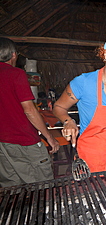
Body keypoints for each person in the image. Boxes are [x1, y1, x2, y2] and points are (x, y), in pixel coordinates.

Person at [53, 35, 106, 173]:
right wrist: (68, 121)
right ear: (105, 54)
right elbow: (58, 107)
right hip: (91, 159)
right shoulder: (84, 82)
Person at [0, 37, 60, 187]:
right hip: (24, 141)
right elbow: (30, 110)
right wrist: (49, 137)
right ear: (14, 55)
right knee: (41, 186)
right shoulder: (16, 74)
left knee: (11, 188)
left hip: (2, 144)